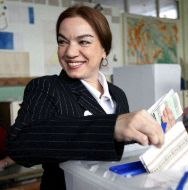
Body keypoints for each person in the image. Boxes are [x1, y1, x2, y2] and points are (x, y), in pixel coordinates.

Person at [6, 5, 175, 190]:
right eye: (62, 41)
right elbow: (19, 144)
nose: (70, 52)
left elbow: (119, 149)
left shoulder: (117, 94)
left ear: (104, 49)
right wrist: (111, 127)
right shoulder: (47, 87)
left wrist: (152, 133)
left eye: (83, 42)